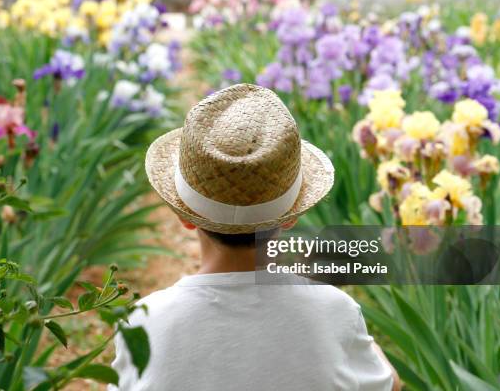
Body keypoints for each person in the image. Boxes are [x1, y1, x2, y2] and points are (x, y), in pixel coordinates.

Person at [109, 84, 401, 391]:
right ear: (291, 217)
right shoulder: (334, 310)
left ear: (184, 217)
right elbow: (389, 385)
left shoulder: (142, 324)